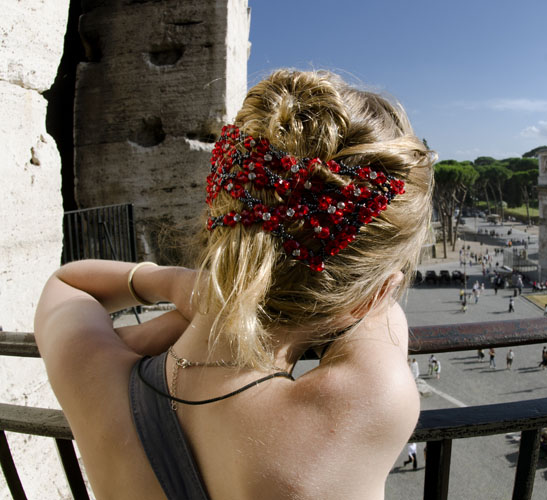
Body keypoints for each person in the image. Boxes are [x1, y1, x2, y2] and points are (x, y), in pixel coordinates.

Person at [34, 70, 434, 500]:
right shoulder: (368, 401)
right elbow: (381, 312)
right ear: (373, 295)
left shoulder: (92, 378)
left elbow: (67, 282)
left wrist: (181, 286)